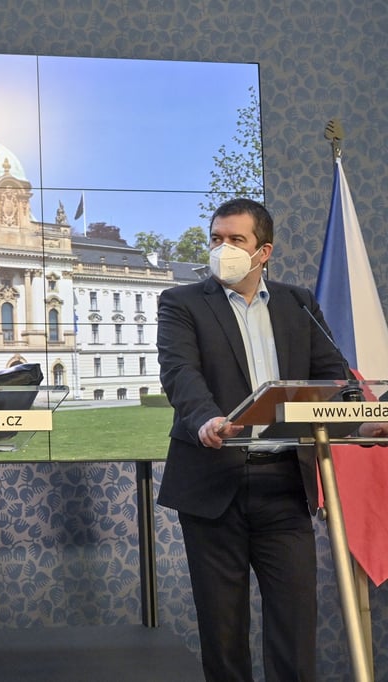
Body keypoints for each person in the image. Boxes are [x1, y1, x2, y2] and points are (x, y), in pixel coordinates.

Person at [156, 197, 387, 681]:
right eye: (216, 239)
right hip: (212, 486)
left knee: (295, 632)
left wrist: (362, 421)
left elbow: (336, 378)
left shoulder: (297, 303)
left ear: (264, 251)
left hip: (282, 487)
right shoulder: (181, 303)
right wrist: (206, 419)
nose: (223, 249)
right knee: (223, 638)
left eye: (236, 240)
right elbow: (181, 374)